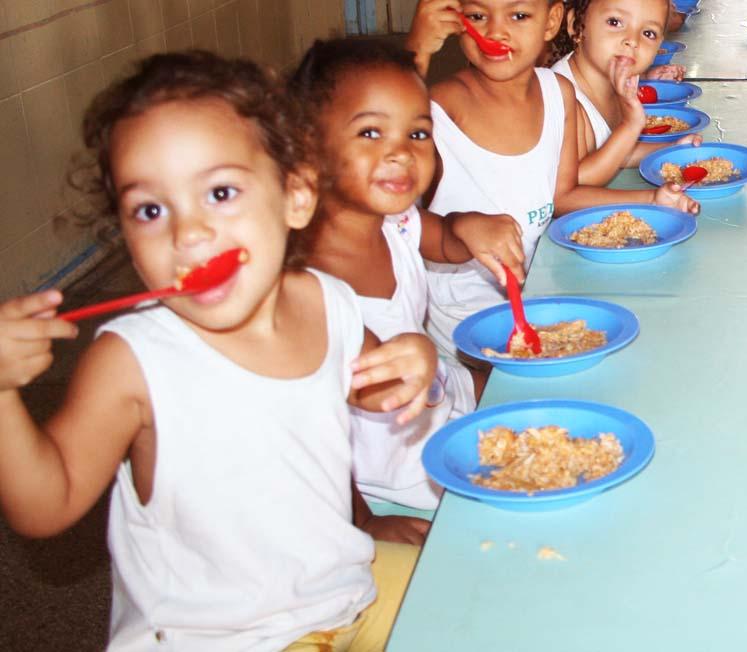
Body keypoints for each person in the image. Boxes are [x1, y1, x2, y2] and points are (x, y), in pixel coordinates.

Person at [0, 51, 440, 651]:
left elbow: (379, 385)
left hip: (338, 592)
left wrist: (414, 359)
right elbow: (45, 506)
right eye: (150, 210)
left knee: (479, 587)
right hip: (224, 638)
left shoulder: (328, 302)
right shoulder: (133, 360)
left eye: (221, 192)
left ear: (296, 196)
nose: (188, 233)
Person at [289, 39, 525, 520]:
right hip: (391, 467)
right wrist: (364, 522)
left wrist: (466, 227)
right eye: (371, 132)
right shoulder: (301, 284)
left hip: (440, 396)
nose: (401, 153)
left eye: (418, 134)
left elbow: (442, 239)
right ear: (309, 146)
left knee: (541, 396)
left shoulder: (395, 222)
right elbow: (305, 432)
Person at [405, 0, 699, 359]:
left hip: (535, 293)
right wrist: (418, 52)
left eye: (518, 16)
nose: (496, 31)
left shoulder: (557, 92)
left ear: (552, 21)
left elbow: (564, 196)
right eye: (478, 16)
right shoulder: (437, 108)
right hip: (463, 322)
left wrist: (652, 200)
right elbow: (373, 183)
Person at [550, 0, 700, 186]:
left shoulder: (613, 83)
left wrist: (671, 148)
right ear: (575, 25)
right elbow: (573, 184)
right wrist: (652, 198)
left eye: (648, 33)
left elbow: (613, 151)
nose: (633, 40)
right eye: (615, 22)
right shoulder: (563, 99)